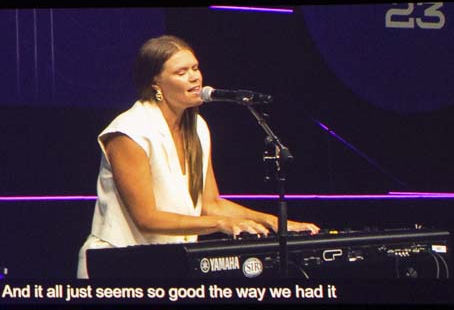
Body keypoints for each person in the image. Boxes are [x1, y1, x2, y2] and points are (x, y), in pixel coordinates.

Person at [76, 35, 318, 278]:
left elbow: (209, 204)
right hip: (117, 264)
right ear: (155, 84)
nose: (195, 77)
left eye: (195, 68)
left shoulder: (198, 126)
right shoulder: (130, 131)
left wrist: (275, 223)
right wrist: (220, 224)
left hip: (169, 262)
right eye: (181, 72)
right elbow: (146, 219)